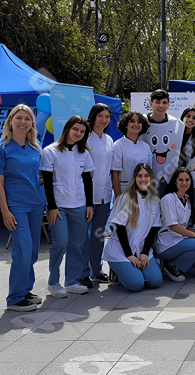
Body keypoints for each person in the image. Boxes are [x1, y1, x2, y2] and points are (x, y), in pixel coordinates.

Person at [0, 104, 46, 312]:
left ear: (32, 123)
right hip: (16, 206)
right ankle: (14, 298)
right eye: (19, 118)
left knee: (31, 252)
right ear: (10, 121)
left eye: (28, 119)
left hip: (36, 203)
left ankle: (25, 290)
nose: (23, 122)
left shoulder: (35, 147)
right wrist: (4, 210)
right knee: (22, 250)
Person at [41, 115, 95, 297]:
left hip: (79, 204)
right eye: (75, 129)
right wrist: (52, 207)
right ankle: (53, 282)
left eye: (82, 131)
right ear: (67, 129)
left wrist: (90, 205)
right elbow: (47, 182)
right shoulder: (50, 151)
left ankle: (72, 281)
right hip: (59, 206)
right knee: (60, 242)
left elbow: (87, 181)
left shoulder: (84, 153)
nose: (78, 133)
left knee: (77, 244)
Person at [102, 163, 163, 291]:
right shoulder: (126, 198)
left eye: (146, 175)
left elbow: (153, 230)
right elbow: (119, 227)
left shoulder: (154, 201)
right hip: (121, 250)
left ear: (151, 178)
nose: (143, 179)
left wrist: (145, 253)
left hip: (140, 249)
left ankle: (133, 271)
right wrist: (129, 255)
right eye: (139, 176)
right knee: (136, 284)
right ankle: (117, 272)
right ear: (134, 178)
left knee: (155, 281)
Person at [156, 167, 195, 281]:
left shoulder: (187, 198)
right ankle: (169, 265)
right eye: (181, 180)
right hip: (167, 243)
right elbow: (173, 226)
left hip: (182, 241)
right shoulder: (168, 199)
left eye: (187, 180)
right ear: (175, 181)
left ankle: (174, 265)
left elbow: (189, 225)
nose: (184, 183)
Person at [84, 103, 114, 284]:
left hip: (104, 194)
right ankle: (82, 272)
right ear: (93, 117)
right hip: (86, 195)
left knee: (97, 234)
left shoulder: (109, 140)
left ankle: (96, 269)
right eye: (100, 116)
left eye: (107, 117)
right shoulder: (84, 138)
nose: (104, 120)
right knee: (83, 236)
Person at [142, 89, 185, 194]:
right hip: (145, 178)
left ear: (169, 105)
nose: (161, 106)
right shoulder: (141, 122)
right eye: (157, 102)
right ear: (151, 103)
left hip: (169, 178)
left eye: (164, 102)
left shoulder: (177, 124)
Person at [112, 111, 151, 197]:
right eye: (132, 121)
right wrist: (118, 198)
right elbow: (115, 173)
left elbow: (149, 173)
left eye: (139, 122)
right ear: (126, 124)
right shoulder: (118, 145)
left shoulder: (146, 147)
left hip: (142, 193)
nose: (136, 124)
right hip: (124, 191)